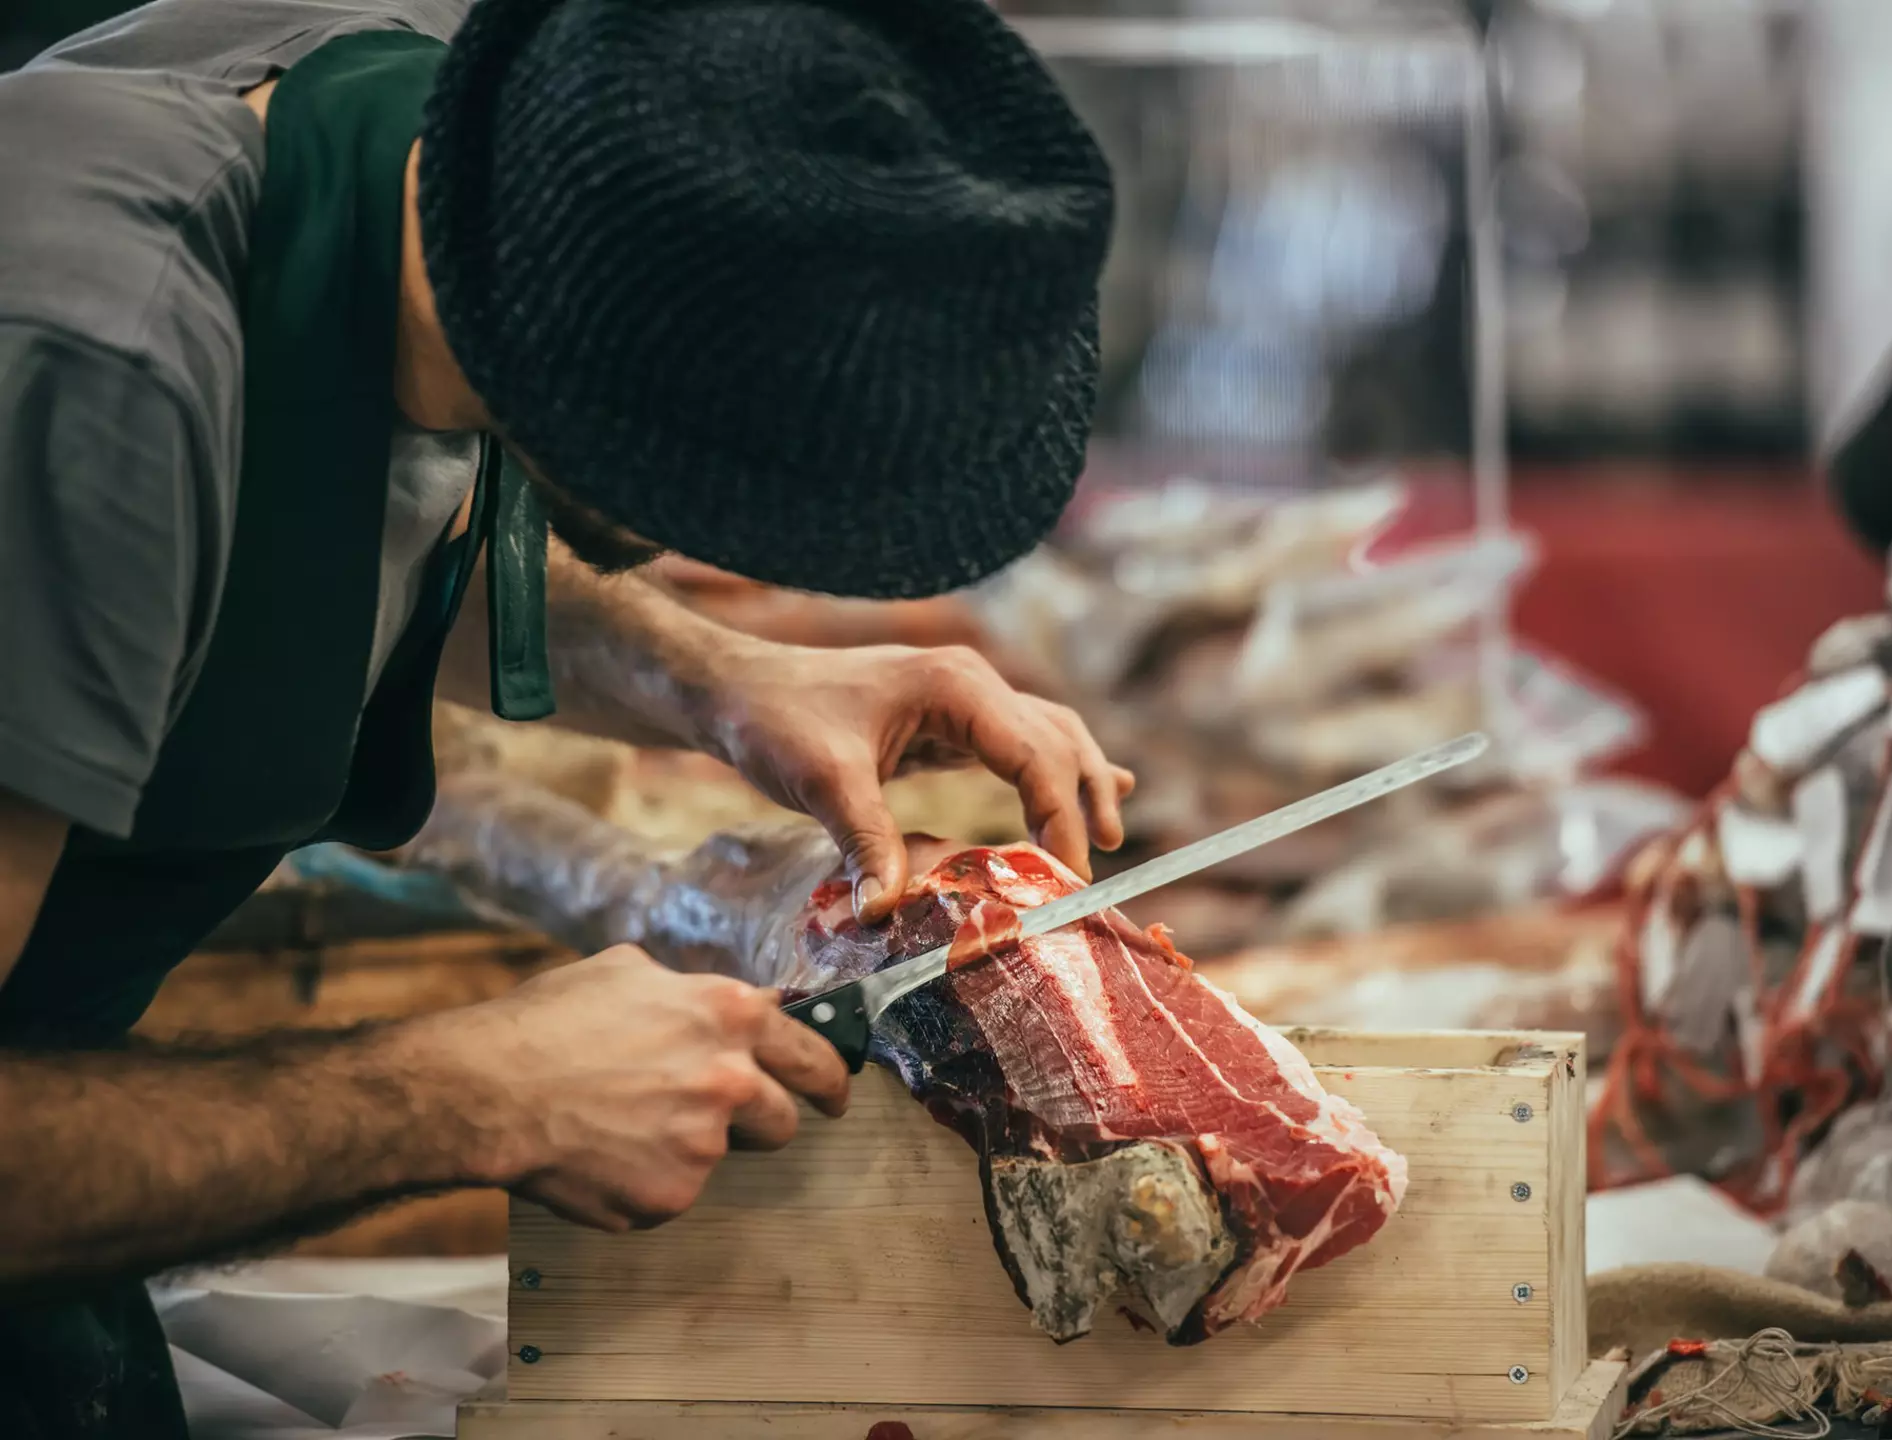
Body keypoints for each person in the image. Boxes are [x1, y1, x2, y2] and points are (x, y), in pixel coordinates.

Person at [0, 0, 1125, 1431]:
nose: (774, 555)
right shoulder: (86, 358)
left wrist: (721, 681)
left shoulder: (465, 162)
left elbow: (267, 528)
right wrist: (462, 1095)